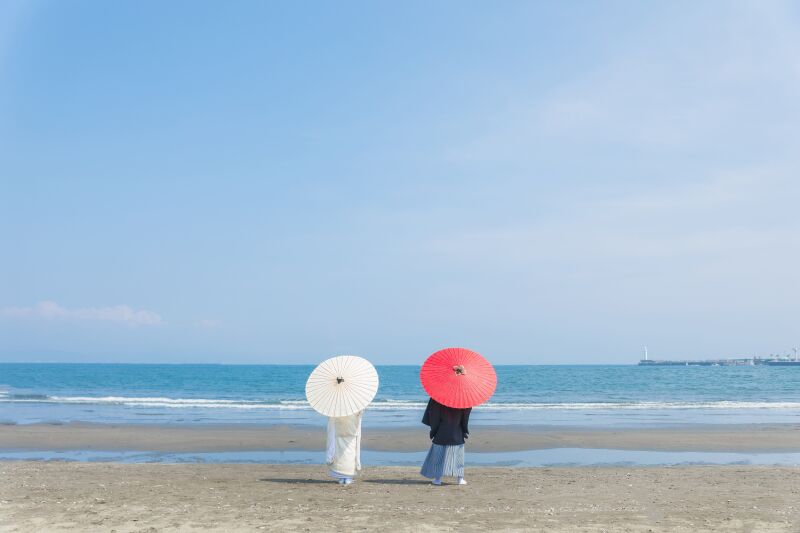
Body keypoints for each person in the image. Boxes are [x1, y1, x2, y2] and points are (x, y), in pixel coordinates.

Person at [420, 395, 471, 485]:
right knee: (458, 457)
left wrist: (433, 431)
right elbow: (465, 417)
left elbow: (434, 417)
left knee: (438, 456)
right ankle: (460, 479)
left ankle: (437, 479)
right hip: (457, 432)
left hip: (441, 432)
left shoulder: (437, 397)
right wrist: (464, 430)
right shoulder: (463, 397)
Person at [326, 409, 363, 485]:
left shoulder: (336, 406)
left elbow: (331, 419)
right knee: (350, 454)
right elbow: (359, 415)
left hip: (339, 431)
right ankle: (348, 477)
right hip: (351, 432)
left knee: (339, 454)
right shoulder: (354, 405)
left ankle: (341, 478)